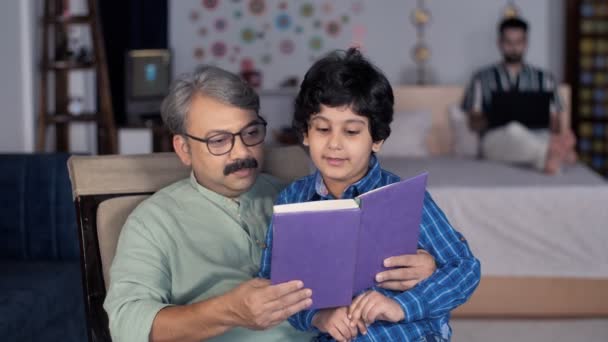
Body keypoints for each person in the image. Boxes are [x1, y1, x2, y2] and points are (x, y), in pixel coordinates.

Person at [104, 65, 438, 342]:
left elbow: (362, 266)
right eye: (219, 140)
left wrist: (424, 265)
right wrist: (228, 311)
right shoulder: (153, 221)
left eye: (251, 133)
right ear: (183, 149)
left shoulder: (301, 198)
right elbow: (126, 323)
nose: (242, 152)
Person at [259, 48, 481, 342]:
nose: (334, 144)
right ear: (305, 133)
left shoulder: (405, 200)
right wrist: (318, 316)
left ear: (376, 139)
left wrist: (400, 306)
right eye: (323, 129)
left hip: (409, 334)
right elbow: (275, 284)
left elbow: (465, 268)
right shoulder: (292, 200)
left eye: (351, 132)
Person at [462, 17, 577, 174]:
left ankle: (549, 156)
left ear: (526, 43)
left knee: (538, 136)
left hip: (537, 135)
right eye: (508, 42)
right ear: (500, 43)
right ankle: (553, 154)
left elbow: (556, 123)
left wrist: (548, 122)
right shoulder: (481, 78)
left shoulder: (545, 78)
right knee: (514, 130)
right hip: (498, 139)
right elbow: (472, 123)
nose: (514, 47)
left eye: (519, 42)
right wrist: (495, 116)